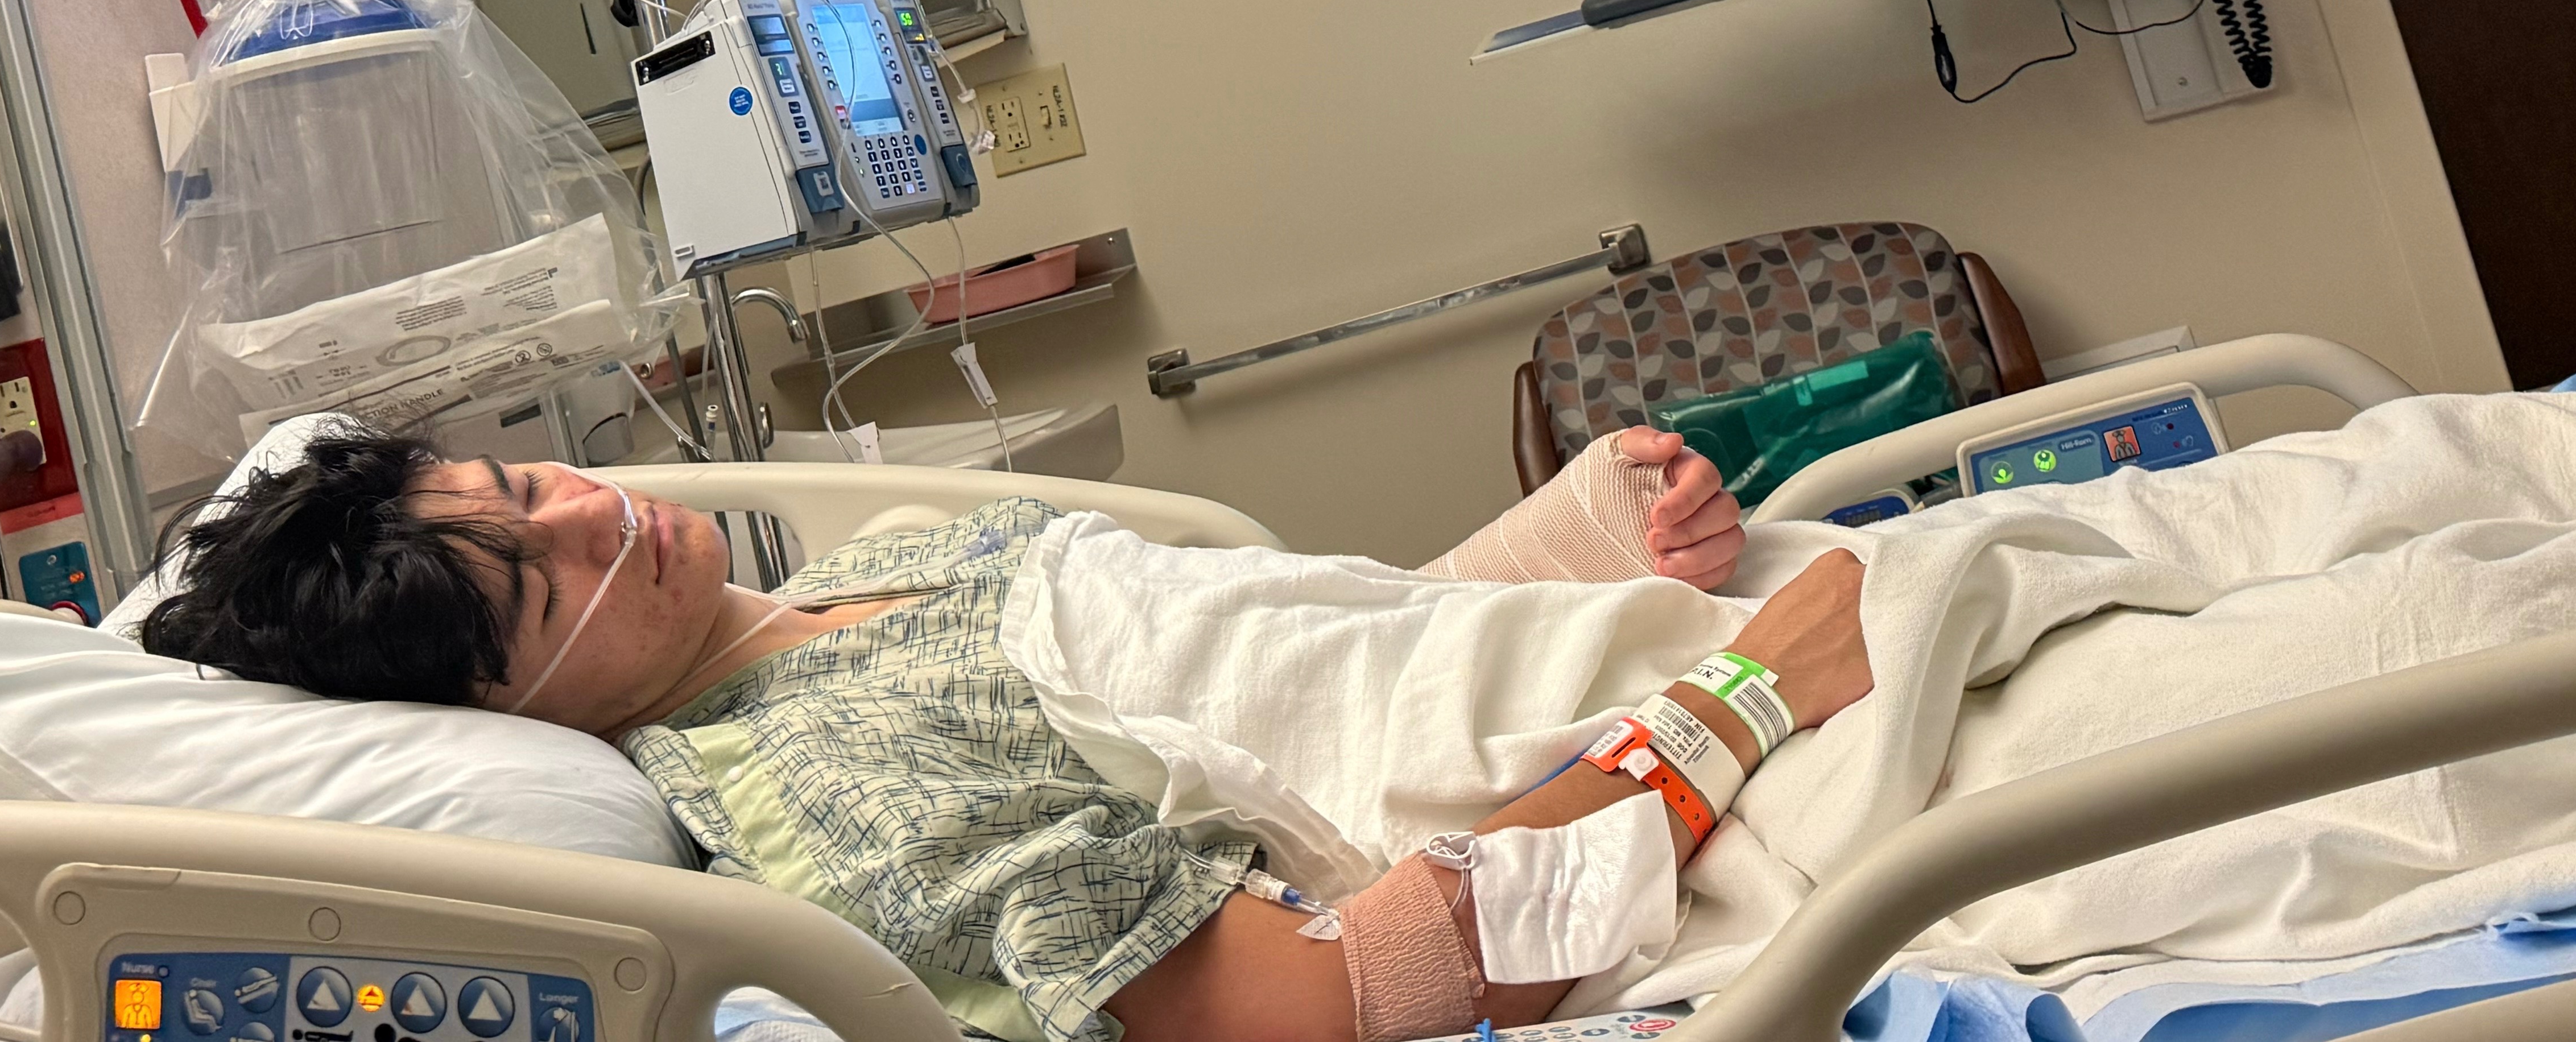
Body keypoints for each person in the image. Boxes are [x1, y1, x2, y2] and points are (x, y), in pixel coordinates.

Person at [137, 421, 1874, 1042]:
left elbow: (1298, 673)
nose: (598, 512)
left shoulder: (866, 572)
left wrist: (1584, 548)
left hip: (1661, 696)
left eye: (525, 483)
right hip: (1723, 792)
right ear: (507, 708)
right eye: (540, 580)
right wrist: (1741, 697)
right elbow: (1345, 989)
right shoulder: (833, 797)